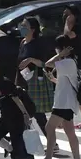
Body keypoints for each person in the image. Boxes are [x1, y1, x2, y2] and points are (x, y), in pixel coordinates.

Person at [34, 35, 81, 159]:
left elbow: (48, 63)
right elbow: (66, 81)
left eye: (57, 48)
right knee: (69, 132)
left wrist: (60, 55)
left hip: (64, 102)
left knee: (50, 127)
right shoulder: (70, 62)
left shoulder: (67, 62)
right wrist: (54, 80)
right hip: (66, 101)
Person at [15, 17, 53, 148]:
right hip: (22, 80)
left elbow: (45, 63)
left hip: (34, 82)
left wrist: (31, 60)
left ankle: (51, 142)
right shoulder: (22, 43)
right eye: (22, 25)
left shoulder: (38, 44)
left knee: (37, 114)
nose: (21, 27)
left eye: (25, 25)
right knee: (21, 112)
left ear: (33, 29)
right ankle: (22, 142)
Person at [62, 5, 81, 131]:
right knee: (70, 91)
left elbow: (68, 35)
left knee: (79, 91)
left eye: (68, 14)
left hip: (78, 63)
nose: (65, 15)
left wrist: (67, 23)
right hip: (71, 62)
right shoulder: (70, 26)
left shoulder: (77, 28)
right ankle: (66, 120)